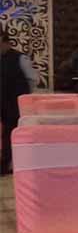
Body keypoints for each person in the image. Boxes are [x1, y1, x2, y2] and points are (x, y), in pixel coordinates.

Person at [2, 29, 39, 175]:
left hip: (14, 104)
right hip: (2, 101)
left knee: (11, 133)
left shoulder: (20, 58)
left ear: (5, 42)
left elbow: (33, 79)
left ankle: (8, 165)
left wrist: (23, 96)